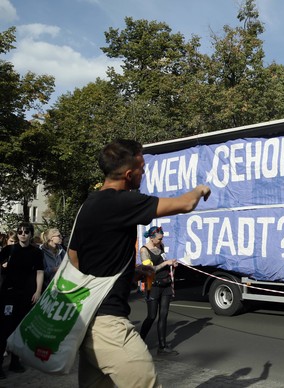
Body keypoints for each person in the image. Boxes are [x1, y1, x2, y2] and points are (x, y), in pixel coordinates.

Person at [68, 139, 211, 388]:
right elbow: (185, 203)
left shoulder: (88, 205)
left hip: (87, 320)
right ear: (128, 174)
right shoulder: (122, 202)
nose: (144, 172)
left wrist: (128, 272)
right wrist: (200, 189)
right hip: (109, 325)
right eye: (142, 167)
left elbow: (74, 257)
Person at [0, 222, 44, 379]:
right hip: (9, 295)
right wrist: (3, 266)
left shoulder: (36, 252)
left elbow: (40, 272)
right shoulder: (9, 249)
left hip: (27, 295)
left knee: (20, 328)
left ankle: (15, 362)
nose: (23, 234)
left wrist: (38, 291)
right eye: (20, 232)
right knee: (5, 328)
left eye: (26, 232)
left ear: (31, 234)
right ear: (17, 234)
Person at [139, 226, 179, 356]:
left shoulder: (161, 246)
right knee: (151, 316)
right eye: (159, 239)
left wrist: (172, 264)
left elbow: (164, 259)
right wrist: (166, 263)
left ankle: (162, 347)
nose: (161, 241)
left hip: (165, 284)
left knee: (164, 315)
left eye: (162, 238)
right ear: (151, 237)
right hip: (153, 286)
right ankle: (138, 343)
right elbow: (150, 270)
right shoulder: (144, 250)